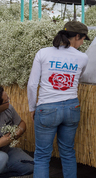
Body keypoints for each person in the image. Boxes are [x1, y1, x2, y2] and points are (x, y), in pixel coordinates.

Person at [27, 21, 90, 178]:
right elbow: (79, 78)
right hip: (71, 108)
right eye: (83, 39)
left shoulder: (43, 53)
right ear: (76, 36)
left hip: (47, 108)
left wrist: (32, 108)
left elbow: (32, 85)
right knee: (68, 152)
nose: (82, 42)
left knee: (42, 156)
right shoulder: (83, 57)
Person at [0, 87, 34, 177]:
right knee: (2, 157)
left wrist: (19, 131)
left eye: (8, 98)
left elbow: (21, 123)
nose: (9, 101)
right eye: (6, 101)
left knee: (30, 166)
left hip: (7, 150)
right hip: (2, 154)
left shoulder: (9, 108)